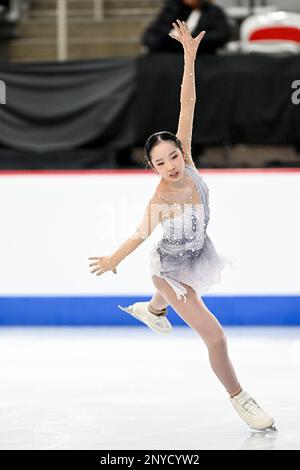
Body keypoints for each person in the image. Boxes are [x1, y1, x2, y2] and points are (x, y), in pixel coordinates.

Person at [88, 20, 276, 432]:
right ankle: (240, 399)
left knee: (165, 309)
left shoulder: (187, 159)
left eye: (173, 156)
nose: (171, 165)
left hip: (196, 251)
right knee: (216, 336)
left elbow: (187, 103)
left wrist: (189, 57)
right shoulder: (161, 198)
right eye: (161, 162)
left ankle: (153, 312)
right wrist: (112, 258)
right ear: (151, 167)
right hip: (171, 270)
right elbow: (140, 234)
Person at [142, 0, 231, 55]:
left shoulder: (213, 12)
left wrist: (191, 38)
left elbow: (221, 35)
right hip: (171, 62)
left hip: (202, 61)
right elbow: (150, 37)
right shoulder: (172, 10)